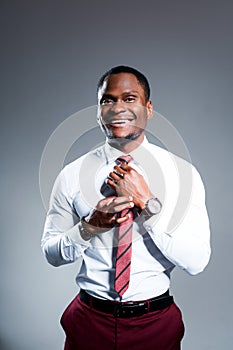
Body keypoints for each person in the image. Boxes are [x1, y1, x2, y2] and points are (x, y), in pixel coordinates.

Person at [41, 65, 211, 350]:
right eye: (108, 100)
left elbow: (196, 262)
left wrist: (148, 204)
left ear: (149, 108)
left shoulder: (182, 174)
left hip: (155, 324)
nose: (117, 108)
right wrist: (89, 226)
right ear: (98, 112)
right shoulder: (72, 174)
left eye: (129, 98)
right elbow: (51, 253)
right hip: (88, 321)